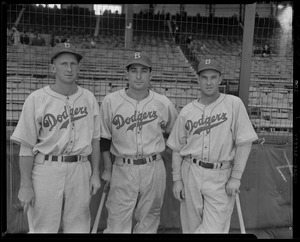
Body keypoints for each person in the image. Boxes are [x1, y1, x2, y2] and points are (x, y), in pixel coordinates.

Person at [10, 42, 101, 233]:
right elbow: (26, 147)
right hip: (46, 169)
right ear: (53, 67)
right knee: (44, 227)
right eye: (63, 63)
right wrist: (25, 185)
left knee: (79, 227)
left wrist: (95, 173)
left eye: (73, 64)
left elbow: (95, 140)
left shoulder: (89, 98)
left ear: (79, 67)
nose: (69, 68)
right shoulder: (36, 99)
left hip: (80, 167)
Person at [166, 59, 258, 233]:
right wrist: (177, 179)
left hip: (220, 174)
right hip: (191, 171)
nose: (209, 82)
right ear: (198, 80)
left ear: (220, 79)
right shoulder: (187, 111)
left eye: (213, 77)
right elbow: (177, 149)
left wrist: (236, 177)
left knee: (214, 229)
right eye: (204, 77)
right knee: (190, 228)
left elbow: (244, 143)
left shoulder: (233, 104)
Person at [99, 51, 178, 233]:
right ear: (127, 74)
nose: (139, 75)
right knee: (117, 223)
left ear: (151, 74)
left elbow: (174, 133)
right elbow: (104, 138)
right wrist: (108, 169)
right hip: (122, 167)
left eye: (144, 70)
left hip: (153, 166)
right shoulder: (111, 101)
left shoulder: (162, 102)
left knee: (149, 221)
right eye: (134, 70)